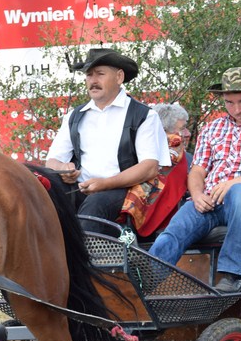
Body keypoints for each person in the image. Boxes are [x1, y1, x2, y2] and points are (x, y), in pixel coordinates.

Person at [148, 67, 241, 292]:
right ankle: (145, 279)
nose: (237, 109)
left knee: (239, 192)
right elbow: (197, 171)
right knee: (179, 225)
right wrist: (198, 195)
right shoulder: (213, 128)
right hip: (211, 200)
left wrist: (234, 183)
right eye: (229, 102)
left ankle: (232, 274)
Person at [45, 48, 170, 236]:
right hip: (80, 187)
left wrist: (105, 184)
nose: (93, 81)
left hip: (122, 189)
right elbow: (51, 161)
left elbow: (149, 167)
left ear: (119, 77)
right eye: (89, 75)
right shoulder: (75, 116)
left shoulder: (143, 115)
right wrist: (63, 168)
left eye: (100, 74)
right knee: (43, 195)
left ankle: (86, 263)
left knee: (95, 205)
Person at [117, 103, 190, 237]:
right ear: (164, 130)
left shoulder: (137, 147)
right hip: (158, 217)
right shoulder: (174, 143)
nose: (187, 133)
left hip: (130, 213)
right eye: (183, 128)